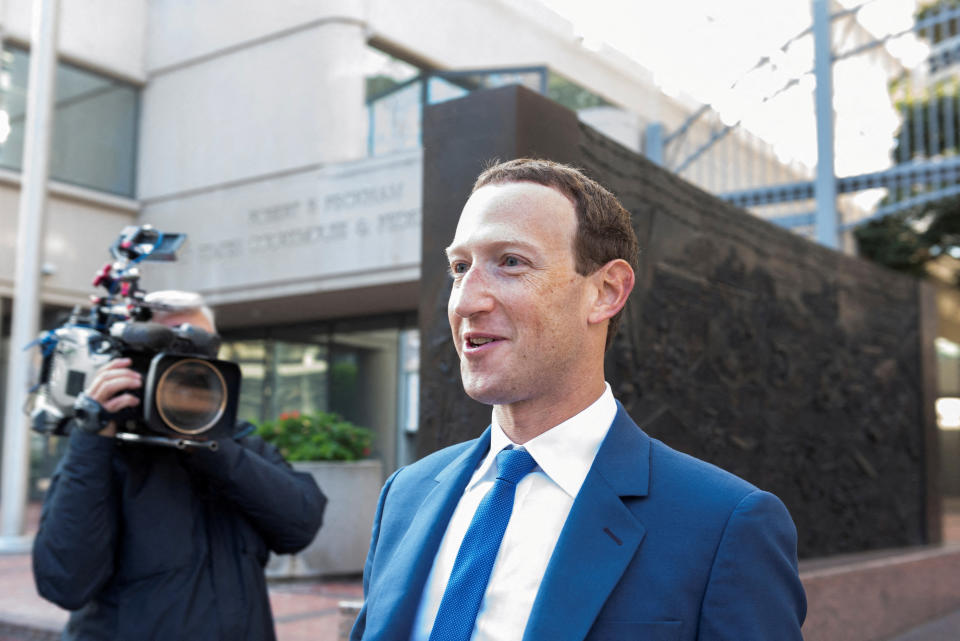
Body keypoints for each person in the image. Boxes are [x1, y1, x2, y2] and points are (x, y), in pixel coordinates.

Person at [351, 159, 806, 641]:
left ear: (606, 291)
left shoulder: (724, 525)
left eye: (510, 262)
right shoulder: (406, 495)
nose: (465, 300)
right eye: (460, 267)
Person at [32, 291, 326, 641]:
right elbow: (65, 582)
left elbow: (301, 525)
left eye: (202, 348)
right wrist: (92, 437)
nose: (188, 366)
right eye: (169, 345)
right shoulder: (104, 452)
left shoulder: (237, 444)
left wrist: (210, 445)